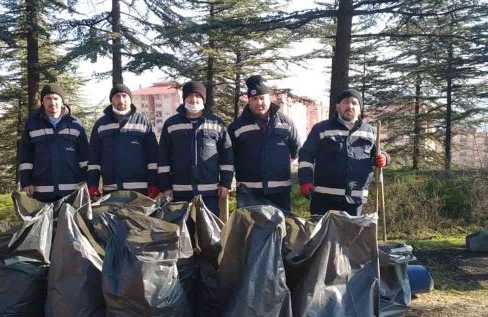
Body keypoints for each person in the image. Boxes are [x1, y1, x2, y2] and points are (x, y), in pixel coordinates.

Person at [298, 88, 389, 216]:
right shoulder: (321, 129)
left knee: (351, 230)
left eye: (354, 103)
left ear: (360, 108)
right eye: (346, 102)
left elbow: (380, 152)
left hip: (354, 201)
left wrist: (384, 158)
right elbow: (306, 155)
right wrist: (305, 181)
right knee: (323, 230)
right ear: (337, 106)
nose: (350, 106)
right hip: (324, 199)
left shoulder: (370, 132)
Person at [158, 80, 233, 215]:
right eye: (190, 96)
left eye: (198, 96)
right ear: (184, 99)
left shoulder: (216, 123)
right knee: (182, 228)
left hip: (209, 193)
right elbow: (163, 157)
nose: (194, 100)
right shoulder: (171, 124)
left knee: (209, 229)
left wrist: (225, 183)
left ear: (203, 99)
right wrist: (165, 186)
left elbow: (226, 156)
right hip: (179, 192)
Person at [227, 74, 301, 212]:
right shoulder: (236, 127)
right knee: (249, 226)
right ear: (249, 100)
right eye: (254, 99)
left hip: (279, 193)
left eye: (262, 98)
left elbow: (295, 150)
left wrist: (278, 167)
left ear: (269, 98)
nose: (259, 103)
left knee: (280, 225)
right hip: (248, 193)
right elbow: (229, 157)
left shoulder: (286, 122)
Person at [18, 84, 89, 202]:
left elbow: (84, 156)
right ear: (42, 101)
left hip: (71, 189)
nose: (52, 102)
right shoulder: (32, 124)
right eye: (48, 98)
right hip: (42, 190)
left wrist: (87, 179)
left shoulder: (75, 124)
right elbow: (26, 156)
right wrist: (26, 181)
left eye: (56, 98)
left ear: (62, 101)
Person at [87, 84, 160, 198]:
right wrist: (93, 184)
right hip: (111, 189)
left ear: (130, 99)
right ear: (111, 100)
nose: (121, 100)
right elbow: (94, 158)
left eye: (124, 96)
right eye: (117, 96)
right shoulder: (101, 124)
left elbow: (153, 156)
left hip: (140, 189)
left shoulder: (143, 122)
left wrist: (154, 183)